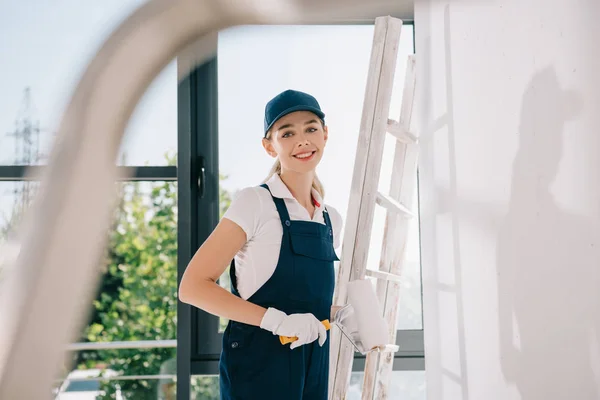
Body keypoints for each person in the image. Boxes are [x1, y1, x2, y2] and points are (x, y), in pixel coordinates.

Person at [178, 89, 343, 399]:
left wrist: (341, 314)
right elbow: (192, 286)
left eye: (311, 128)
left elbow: (306, 297)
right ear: (270, 147)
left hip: (314, 368)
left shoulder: (330, 218)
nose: (303, 140)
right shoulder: (255, 202)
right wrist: (277, 322)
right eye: (287, 133)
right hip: (258, 368)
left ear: (325, 134)